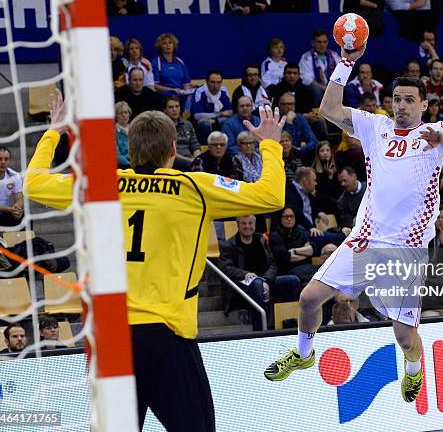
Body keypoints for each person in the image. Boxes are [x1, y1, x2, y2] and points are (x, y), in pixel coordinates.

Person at [24, 91, 287, 430]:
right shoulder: (196, 186)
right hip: (167, 337)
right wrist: (270, 144)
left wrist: (54, 131)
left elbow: (32, 184)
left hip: (113, 341)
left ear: (130, 150)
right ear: (174, 149)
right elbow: (272, 195)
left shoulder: (102, 185)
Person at [264, 41, 443, 407]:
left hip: (407, 250)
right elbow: (328, 108)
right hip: (365, 238)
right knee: (308, 298)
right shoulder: (375, 126)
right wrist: (346, 61)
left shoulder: (434, 133)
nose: (401, 105)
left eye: (410, 100)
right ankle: (304, 352)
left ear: (423, 105)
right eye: (397, 98)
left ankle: (414, 369)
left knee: (405, 338)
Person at [218, 214, 300, 330]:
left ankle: (286, 322)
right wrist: (245, 274)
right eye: (244, 223)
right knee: (257, 285)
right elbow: (226, 268)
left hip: (264, 281)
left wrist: (265, 279)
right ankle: (260, 329)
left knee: (293, 281)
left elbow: (273, 264)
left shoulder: (262, 240)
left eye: (250, 223)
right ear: (238, 225)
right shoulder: (229, 244)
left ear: (255, 224)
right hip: (241, 286)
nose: (247, 226)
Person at [268, 205, 319, 284]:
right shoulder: (275, 235)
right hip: (288, 271)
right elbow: (286, 257)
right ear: (280, 218)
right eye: (286, 216)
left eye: (291, 216)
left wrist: (294, 251)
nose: (289, 219)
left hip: (306, 269)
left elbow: (312, 250)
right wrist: (305, 254)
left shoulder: (301, 232)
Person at [298, 30, 340, 106]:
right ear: (313, 43)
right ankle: (318, 115)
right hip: (317, 88)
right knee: (316, 90)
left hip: (333, 86)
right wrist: (323, 87)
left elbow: (341, 74)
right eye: (319, 42)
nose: (322, 45)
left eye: (325, 42)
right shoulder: (307, 57)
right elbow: (307, 79)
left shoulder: (334, 56)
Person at [191, 71, 233, 144]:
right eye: (212, 82)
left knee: (228, 122)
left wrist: (215, 120)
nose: (216, 86)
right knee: (205, 125)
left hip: (218, 121)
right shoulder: (200, 92)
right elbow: (197, 116)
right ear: (207, 82)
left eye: (218, 82)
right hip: (205, 123)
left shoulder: (224, 91)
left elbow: (230, 113)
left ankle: (226, 145)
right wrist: (220, 114)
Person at [162, 96, 201, 171]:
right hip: (172, 160)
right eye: (170, 107)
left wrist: (198, 159)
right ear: (164, 110)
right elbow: (169, 152)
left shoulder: (187, 124)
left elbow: (195, 145)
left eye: (177, 106)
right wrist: (190, 160)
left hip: (190, 159)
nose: (174, 110)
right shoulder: (162, 127)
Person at [276, 92, 318, 160]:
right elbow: (286, 143)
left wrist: (300, 149)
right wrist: (289, 123)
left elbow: (314, 142)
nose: (288, 107)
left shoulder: (300, 118)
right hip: (279, 155)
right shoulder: (274, 119)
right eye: (284, 104)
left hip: (297, 156)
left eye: (291, 104)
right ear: (279, 105)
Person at [0, 146, 23, 227]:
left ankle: (24, 239)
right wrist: (9, 210)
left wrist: (17, 208)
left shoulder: (15, 176)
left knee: (25, 215)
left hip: (5, 211)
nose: (3, 162)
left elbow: (19, 199)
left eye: (6, 159)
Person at [115, 101, 132, 169]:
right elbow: (117, 155)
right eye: (120, 113)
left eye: (126, 112)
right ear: (116, 116)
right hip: (123, 167)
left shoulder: (135, 129)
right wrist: (131, 165)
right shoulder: (113, 132)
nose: (124, 115)